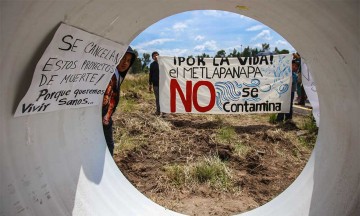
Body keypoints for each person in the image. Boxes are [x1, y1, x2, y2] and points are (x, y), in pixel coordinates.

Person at [102, 46, 136, 156]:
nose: (125, 63)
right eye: (122, 58)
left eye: (128, 60)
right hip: (102, 121)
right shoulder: (109, 75)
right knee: (108, 148)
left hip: (106, 120)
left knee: (108, 148)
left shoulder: (117, 75)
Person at [276, 58, 300, 122]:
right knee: (283, 105)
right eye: (293, 65)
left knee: (289, 106)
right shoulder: (285, 73)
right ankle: (279, 119)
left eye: (296, 66)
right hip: (284, 92)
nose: (295, 67)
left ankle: (288, 119)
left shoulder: (295, 75)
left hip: (291, 92)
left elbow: (294, 81)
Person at [148, 51, 161, 115]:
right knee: (157, 98)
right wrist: (150, 84)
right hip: (155, 84)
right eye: (154, 56)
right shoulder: (152, 65)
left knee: (164, 98)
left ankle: (164, 112)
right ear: (152, 57)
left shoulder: (163, 64)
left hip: (163, 84)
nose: (156, 57)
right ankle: (158, 111)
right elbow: (150, 74)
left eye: (157, 55)